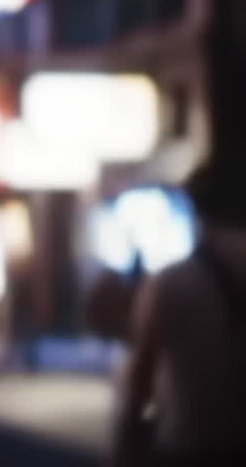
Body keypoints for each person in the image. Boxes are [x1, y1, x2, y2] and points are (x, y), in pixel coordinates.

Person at [112, 161, 246, 467]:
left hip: (189, 443)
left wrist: (127, 440)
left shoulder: (172, 282)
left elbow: (141, 377)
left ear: (194, 207)